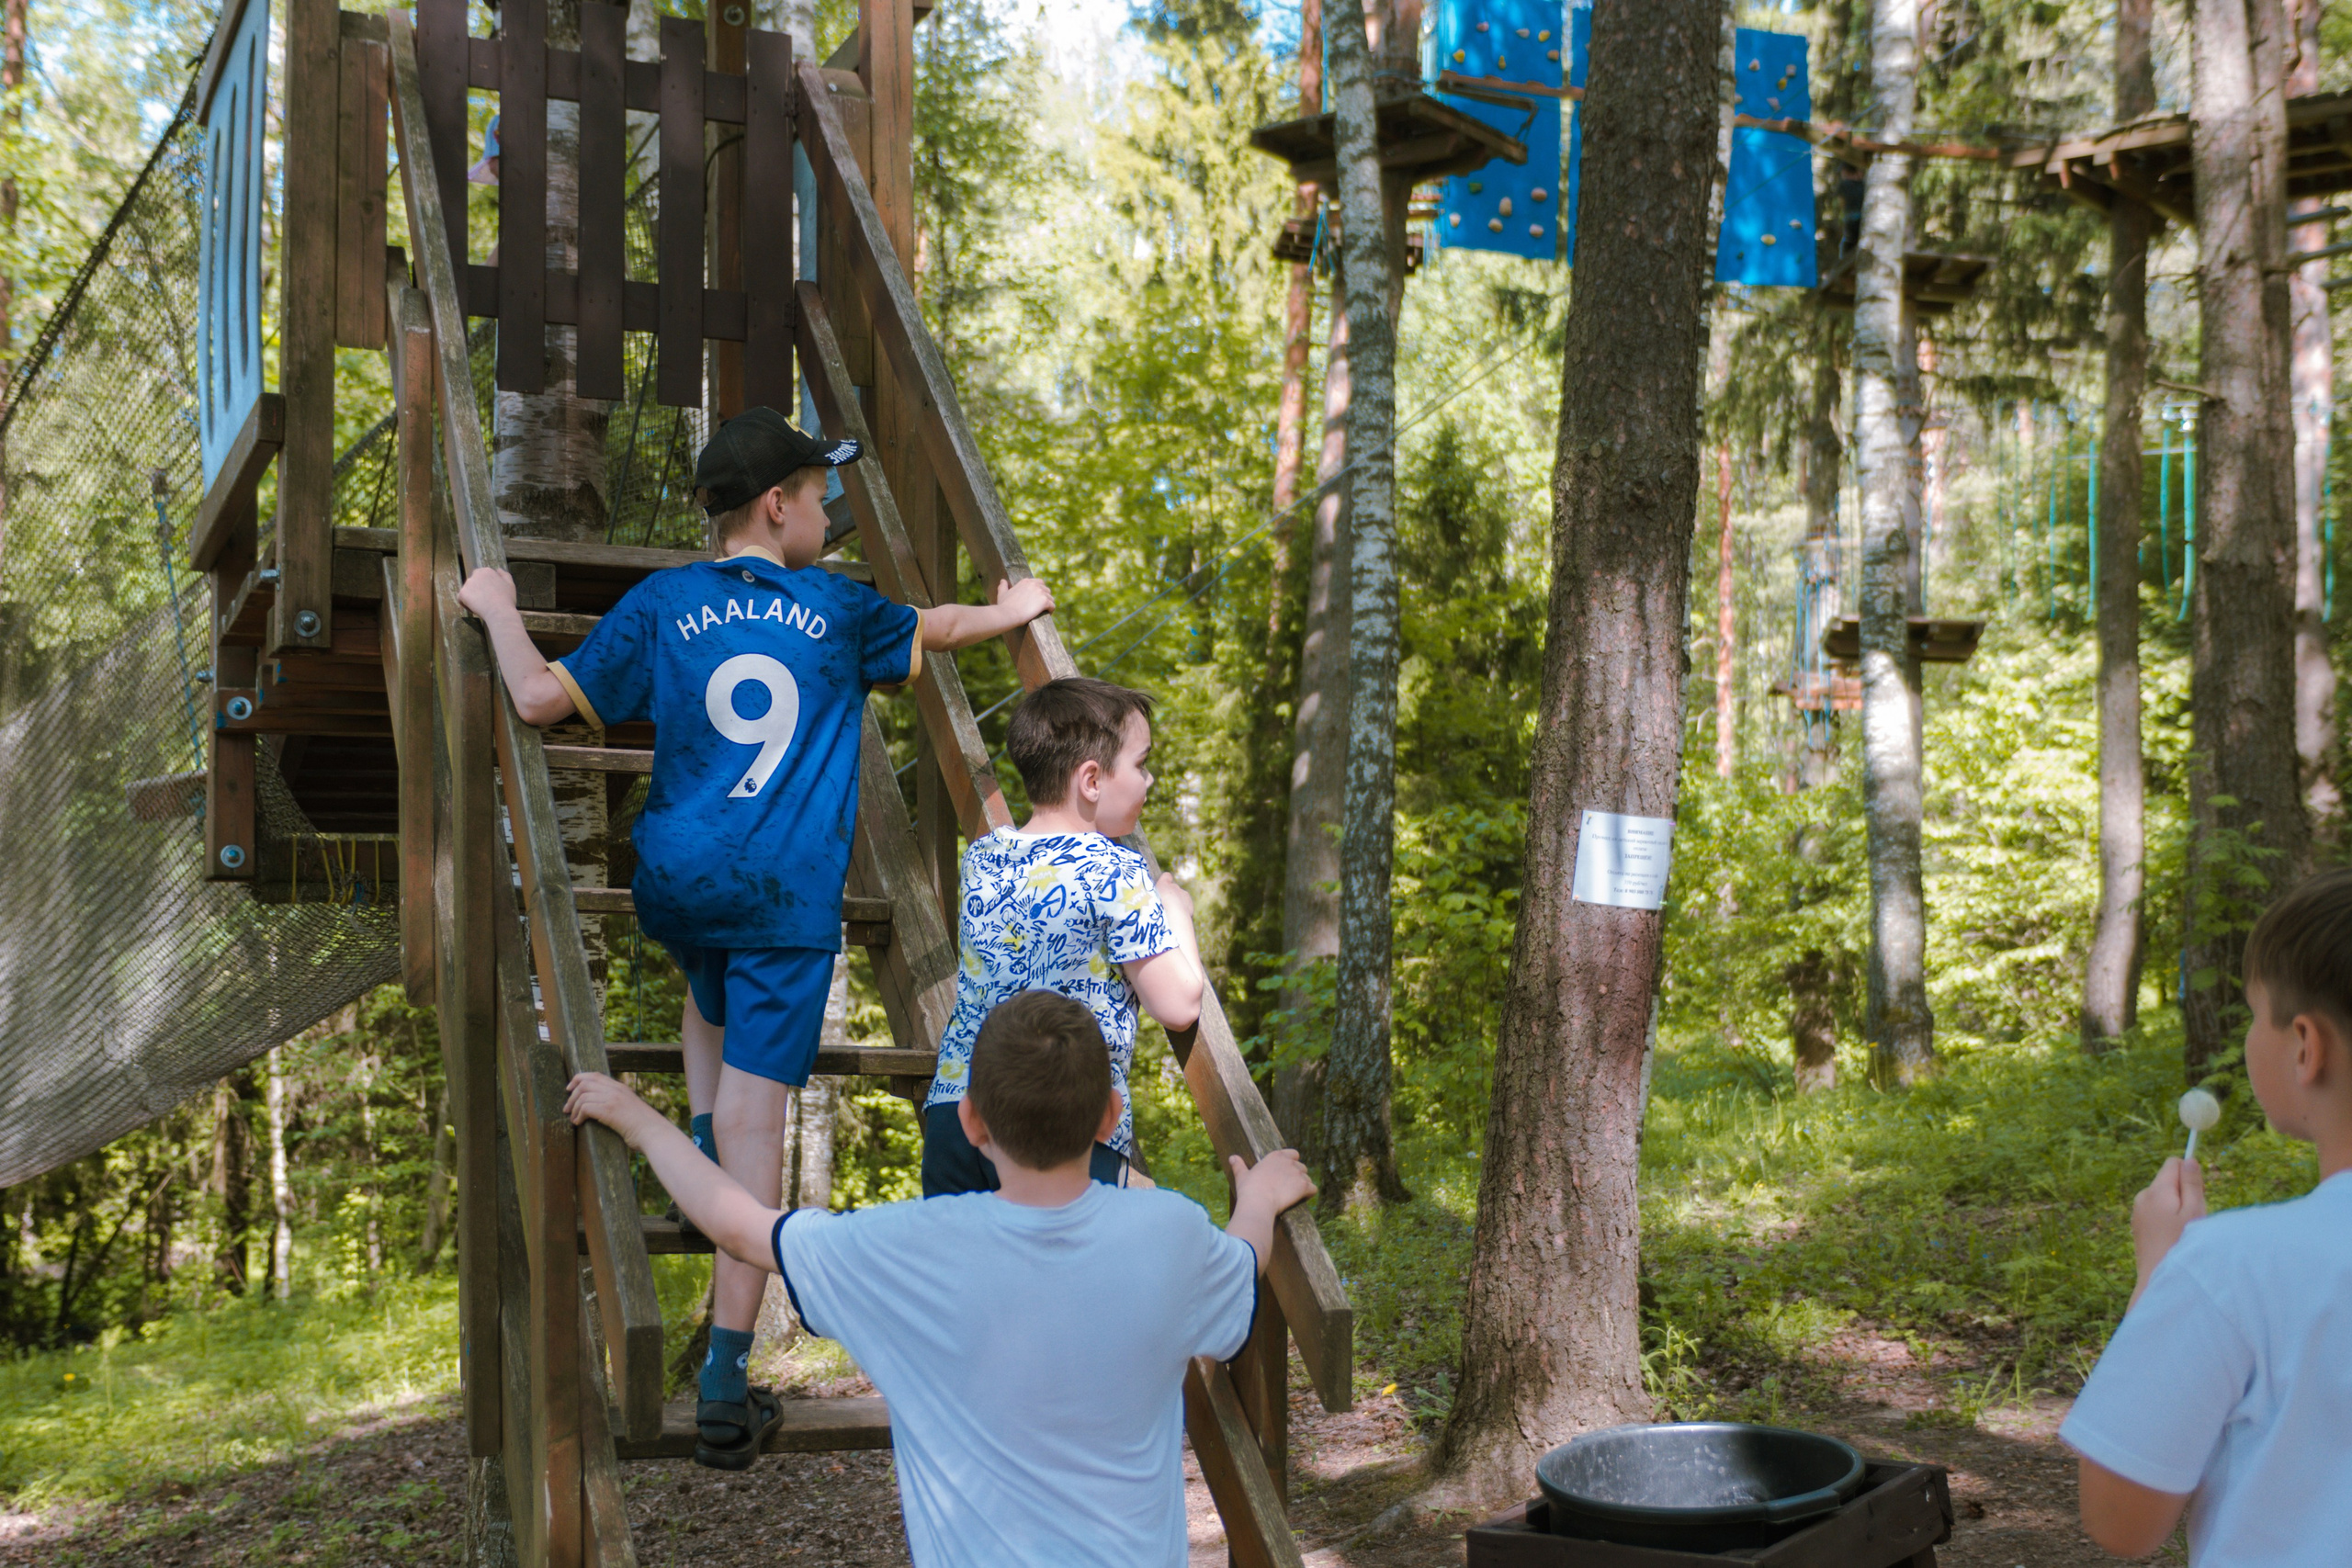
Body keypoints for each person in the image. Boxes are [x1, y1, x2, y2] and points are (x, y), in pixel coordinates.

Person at [456, 407, 1055, 1470]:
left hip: (676, 884)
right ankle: (728, 1380)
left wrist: (498, 608)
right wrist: (1013, 610)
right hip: (782, 903)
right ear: (777, 506)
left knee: (708, 986)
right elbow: (939, 626)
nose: (828, 516)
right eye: (821, 498)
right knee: (753, 1137)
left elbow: (540, 698)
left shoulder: (663, 600)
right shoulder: (839, 609)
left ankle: (696, 1127)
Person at [562, 988, 1316, 1567]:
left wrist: (641, 1120)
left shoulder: (905, 1248)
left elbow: (737, 1226)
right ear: (1108, 1115)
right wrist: (1256, 1199)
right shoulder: (1170, 1232)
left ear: (973, 1122)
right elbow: (1241, 1268)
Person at [2063, 867, 2352, 1565]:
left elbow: (2120, 1519)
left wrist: (2159, 1276)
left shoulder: (2232, 1266)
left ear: (2306, 1045)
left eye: (2255, 1014)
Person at [920, 677, 1205, 1197]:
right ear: (1091, 780)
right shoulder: (1116, 870)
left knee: (962, 1253)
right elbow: (1179, 1005)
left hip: (960, 1113)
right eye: (1141, 764)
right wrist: (1175, 910)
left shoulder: (984, 857)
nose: (1149, 779)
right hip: (1062, 1128)